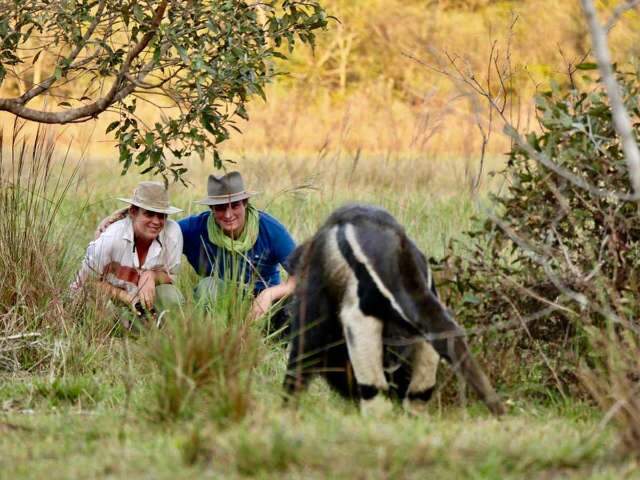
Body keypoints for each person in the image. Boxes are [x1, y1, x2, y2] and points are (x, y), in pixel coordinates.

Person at [178, 171, 296, 325]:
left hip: (265, 307)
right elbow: (158, 232)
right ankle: (212, 339)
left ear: (245, 202)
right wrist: (149, 274)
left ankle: (274, 340)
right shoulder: (193, 229)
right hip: (221, 307)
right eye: (220, 207)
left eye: (234, 206)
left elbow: (305, 273)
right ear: (211, 208)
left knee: (300, 303)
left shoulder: (270, 229)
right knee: (208, 286)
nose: (228, 215)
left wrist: (269, 294)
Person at [71, 181, 184, 326]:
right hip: (109, 299)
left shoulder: (172, 233)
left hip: (142, 303)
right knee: (97, 309)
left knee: (172, 297)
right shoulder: (111, 238)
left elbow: (172, 278)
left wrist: (151, 276)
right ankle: (114, 332)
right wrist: (127, 298)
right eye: (149, 214)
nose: (156, 221)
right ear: (133, 212)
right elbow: (87, 281)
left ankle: (151, 330)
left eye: (162, 215)